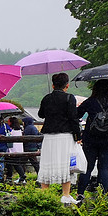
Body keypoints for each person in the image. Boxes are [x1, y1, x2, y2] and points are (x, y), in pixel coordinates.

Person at [76, 79, 108, 196]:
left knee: (87, 167)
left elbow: (77, 114)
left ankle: (80, 194)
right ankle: (102, 195)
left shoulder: (91, 101)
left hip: (91, 139)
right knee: (103, 168)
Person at [37, 71, 81, 204]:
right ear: (66, 86)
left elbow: (40, 114)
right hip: (65, 136)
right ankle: (66, 195)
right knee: (66, 164)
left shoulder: (46, 98)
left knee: (47, 162)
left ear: (53, 85)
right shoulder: (69, 98)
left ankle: (45, 194)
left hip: (49, 136)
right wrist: (77, 135)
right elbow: (74, 118)